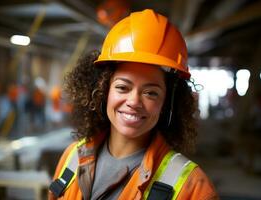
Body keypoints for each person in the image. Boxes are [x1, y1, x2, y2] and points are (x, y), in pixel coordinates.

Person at [48, 9, 218, 200]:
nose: (134, 102)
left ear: (168, 103)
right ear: (103, 91)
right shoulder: (71, 158)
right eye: (122, 87)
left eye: (151, 93)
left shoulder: (193, 187)